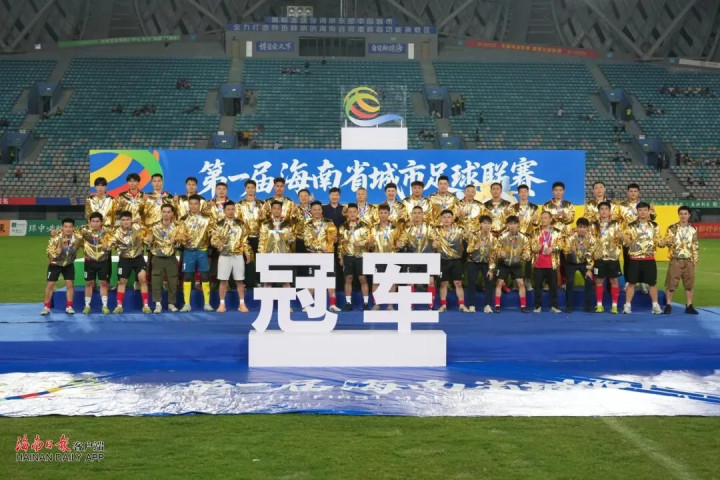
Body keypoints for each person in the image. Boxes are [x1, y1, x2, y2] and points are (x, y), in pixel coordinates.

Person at [621, 202, 664, 314]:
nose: (643, 212)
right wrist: (625, 239)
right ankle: (627, 306)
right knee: (631, 283)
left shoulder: (654, 226)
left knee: (652, 284)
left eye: (645, 210)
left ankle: (655, 306)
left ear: (649, 211)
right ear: (637, 212)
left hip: (649, 259)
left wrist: (663, 242)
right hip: (635, 259)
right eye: (640, 210)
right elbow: (626, 242)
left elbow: (658, 240)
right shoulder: (630, 226)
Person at [211, 201, 253, 313]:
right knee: (223, 281)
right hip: (224, 256)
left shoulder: (241, 224)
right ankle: (222, 304)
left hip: (238, 255)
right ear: (224, 211)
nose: (230, 211)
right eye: (228, 209)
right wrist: (217, 243)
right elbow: (213, 239)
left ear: (235, 210)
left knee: (240, 281)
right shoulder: (219, 224)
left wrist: (247, 253)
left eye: (232, 209)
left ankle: (242, 304)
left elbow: (244, 240)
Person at [107, 211, 151, 314]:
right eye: (123, 220)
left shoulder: (139, 228)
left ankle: (146, 306)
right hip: (124, 259)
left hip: (138, 258)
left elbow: (148, 238)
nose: (126, 222)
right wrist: (108, 245)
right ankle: (119, 306)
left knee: (143, 279)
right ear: (120, 222)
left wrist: (148, 240)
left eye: (127, 219)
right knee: (122, 282)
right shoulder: (116, 232)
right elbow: (110, 243)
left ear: (131, 220)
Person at [178, 195, 215, 312]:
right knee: (187, 277)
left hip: (202, 251)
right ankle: (187, 304)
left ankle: (207, 303)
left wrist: (216, 242)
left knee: (205, 276)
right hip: (188, 251)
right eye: (191, 204)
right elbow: (179, 235)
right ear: (188, 205)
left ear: (200, 205)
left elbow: (213, 234)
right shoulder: (183, 219)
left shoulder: (207, 218)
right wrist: (180, 239)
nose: (193, 206)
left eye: (196, 204)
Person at [303, 201, 341, 312]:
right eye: (314, 209)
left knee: (330, 280)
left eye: (319, 209)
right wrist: (320, 248)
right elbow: (307, 241)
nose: (317, 211)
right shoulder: (307, 224)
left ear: (322, 210)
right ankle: (307, 305)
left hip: (327, 256)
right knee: (312, 280)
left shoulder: (329, 222)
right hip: (314, 256)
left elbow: (333, 237)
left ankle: (332, 304)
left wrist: (334, 239)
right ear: (311, 211)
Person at [41, 218, 83, 315]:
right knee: (50, 285)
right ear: (62, 228)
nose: (68, 229)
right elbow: (48, 252)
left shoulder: (77, 238)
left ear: (73, 228)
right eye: (65, 227)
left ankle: (69, 306)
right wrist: (56, 253)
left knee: (69, 284)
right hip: (55, 264)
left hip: (68, 264)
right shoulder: (56, 238)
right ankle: (46, 307)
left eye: (70, 227)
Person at [144, 204, 181, 313]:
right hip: (157, 257)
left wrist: (176, 242)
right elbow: (148, 245)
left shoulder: (177, 227)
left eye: (168, 212)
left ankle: (171, 303)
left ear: (172, 214)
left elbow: (180, 245)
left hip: (171, 257)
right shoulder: (154, 227)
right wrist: (148, 242)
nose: (166, 214)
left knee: (173, 281)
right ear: (161, 213)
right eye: (164, 212)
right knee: (156, 281)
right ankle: (158, 304)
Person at [491, 216, 531, 313]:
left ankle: (523, 306)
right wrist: (500, 253)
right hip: (504, 263)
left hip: (516, 263)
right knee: (499, 283)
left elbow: (527, 250)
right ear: (507, 225)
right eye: (510, 224)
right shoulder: (502, 237)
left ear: (518, 225)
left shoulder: (524, 238)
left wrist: (525, 254)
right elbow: (496, 250)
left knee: (521, 283)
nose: (512, 226)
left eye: (514, 223)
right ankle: (497, 306)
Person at [368, 204, 405, 310]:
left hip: (392, 257)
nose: (383, 215)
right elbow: (369, 245)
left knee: (392, 281)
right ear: (378, 214)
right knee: (376, 281)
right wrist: (370, 243)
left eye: (385, 213)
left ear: (389, 214)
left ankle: (390, 305)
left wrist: (400, 243)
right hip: (377, 257)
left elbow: (402, 240)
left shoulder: (395, 227)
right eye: (381, 213)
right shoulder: (373, 227)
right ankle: (376, 304)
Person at [663, 206, 699, 314]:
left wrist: (695, 260)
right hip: (676, 259)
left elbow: (695, 245)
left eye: (685, 214)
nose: (683, 216)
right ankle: (668, 305)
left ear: (689, 215)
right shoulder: (672, 228)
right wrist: (668, 242)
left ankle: (689, 305)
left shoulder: (693, 229)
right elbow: (667, 243)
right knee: (671, 284)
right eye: (681, 214)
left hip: (689, 260)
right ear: (678, 215)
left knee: (689, 285)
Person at [401, 205, 438, 309]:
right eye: (415, 213)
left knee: (431, 281)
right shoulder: (408, 229)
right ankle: (410, 305)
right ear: (411, 215)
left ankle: (431, 305)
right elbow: (403, 241)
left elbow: (435, 239)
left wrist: (436, 243)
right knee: (410, 282)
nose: (417, 215)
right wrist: (400, 243)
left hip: (428, 258)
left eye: (419, 213)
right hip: (412, 258)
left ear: (423, 215)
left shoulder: (429, 227)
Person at [505, 184, 540, 290]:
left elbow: (537, 223)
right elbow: (509, 222)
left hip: (529, 236)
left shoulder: (534, 207)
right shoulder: (513, 208)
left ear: (528, 193)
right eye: (521, 192)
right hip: (516, 236)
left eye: (525, 191)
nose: (523, 194)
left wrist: (534, 220)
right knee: (515, 258)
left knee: (528, 259)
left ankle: (527, 280)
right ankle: (515, 281)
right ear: (518, 194)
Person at [338, 203, 372, 311]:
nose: (352, 214)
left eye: (354, 212)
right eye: (350, 212)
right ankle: (348, 303)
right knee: (348, 278)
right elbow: (340, 243)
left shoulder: (364, 225)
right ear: (347, 214)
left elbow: (369, 240)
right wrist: (340, 256)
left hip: (361, 255)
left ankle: (366, 303)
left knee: (362, 278)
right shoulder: (343, 226)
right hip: (348, 255)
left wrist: (361, 243)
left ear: (358, 212)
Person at [431, 209, 466, 313]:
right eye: (444, 217)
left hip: (456, 260)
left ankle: (462, 305)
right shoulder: (436, 231)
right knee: (443, 283)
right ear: (441, 219)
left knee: (458, 283)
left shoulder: (459, 230)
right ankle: (443, 305)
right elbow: (432, 244)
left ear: (452, 219)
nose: (446, 219)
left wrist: (463, 219)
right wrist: (434, 245)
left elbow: (469, 237)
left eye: (449, 217)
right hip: (443, 261)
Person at [591, 201, 623, 313]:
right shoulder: (594, 225)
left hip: (612, 258)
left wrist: (621, 237)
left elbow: (620, 241)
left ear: (609, 211)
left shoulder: (616, 224)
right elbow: (591, 241)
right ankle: (599, 305)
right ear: (598, 211)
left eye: (606, 209)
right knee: (599, 281)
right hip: (599, 258)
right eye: (601, 209)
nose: (604, 211)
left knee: (614, 281)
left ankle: (614, 306)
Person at [79, 212, 112, 314]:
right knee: (89, 283)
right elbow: (71, 234)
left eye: (97, 221)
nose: (95, 223)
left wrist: (108, 246)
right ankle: (87, 306)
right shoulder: (84, 231)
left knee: (103, 283)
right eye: (93, 221)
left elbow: (113, 242)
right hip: (89, 262)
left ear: (101, 222)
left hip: (103, 261)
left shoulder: (107, 232)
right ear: (89, 222)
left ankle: (105, 306)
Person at [530, 211, 563, 313]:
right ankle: (537, 306)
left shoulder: (557, 232)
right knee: (538, 287)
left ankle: (554, 306)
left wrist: (552, 248)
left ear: (550, 219)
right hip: (538, 263)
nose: (543, 220)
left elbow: (561, 244)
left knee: (553, 287)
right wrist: (538, 247)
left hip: (551, 264)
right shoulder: (535, 232)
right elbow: (532, 246)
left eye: (546, 218)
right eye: (542, 218)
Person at [563, 217, 596, 313]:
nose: (582, 229)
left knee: (589, 280)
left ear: (587, 228)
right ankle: (569, 306)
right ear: (577, 228)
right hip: (571, 263)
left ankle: (588, 306)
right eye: (580, 227)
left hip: (584, 263)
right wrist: (570, 251)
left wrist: (589, 269)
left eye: (584, 227)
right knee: (570, 281)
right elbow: (564, 251)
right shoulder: (570, 238)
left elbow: (591, 254)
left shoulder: (591, 239)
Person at [236, 179, 264, 289]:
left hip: (260, 237)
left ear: (255, 189)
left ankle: (260, 281)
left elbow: (265, 220)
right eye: (248, 187)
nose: (250, 189)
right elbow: (238, 222)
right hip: (246, 237)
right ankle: (249, 283)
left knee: (260, 260)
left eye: (252, 187)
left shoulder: (262, 204)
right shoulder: (239, 204)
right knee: (248, 260)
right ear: (245, 189)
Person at [465, 215, 495, 313]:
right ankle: (471, 305)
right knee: (472, 282)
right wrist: (477, 245)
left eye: (488, 223)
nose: (486, 225)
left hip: (486, 263)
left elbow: (493, 255)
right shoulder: (474, 236)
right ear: (480, 224)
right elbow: (468, 250)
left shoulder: (493, 238)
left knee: (489, 282)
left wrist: (491, 269)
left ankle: (488, 305)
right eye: (484, 223)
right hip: (473, 262)